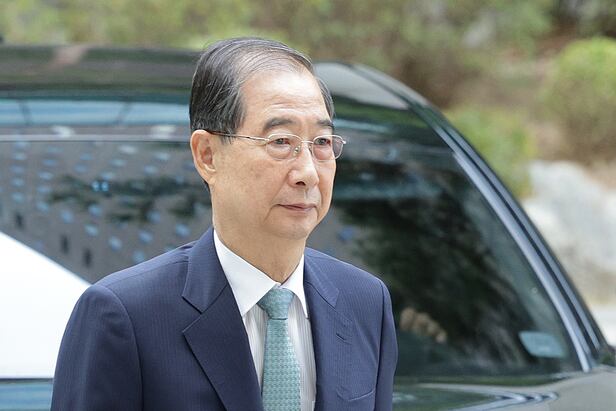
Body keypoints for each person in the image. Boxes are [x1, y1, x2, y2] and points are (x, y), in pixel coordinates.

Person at [51, 37, 397, 411]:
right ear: (207, 155)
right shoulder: (125, 317)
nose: (308, 172)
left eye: (322, 142)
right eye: (281, 141)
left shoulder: (365, 302)